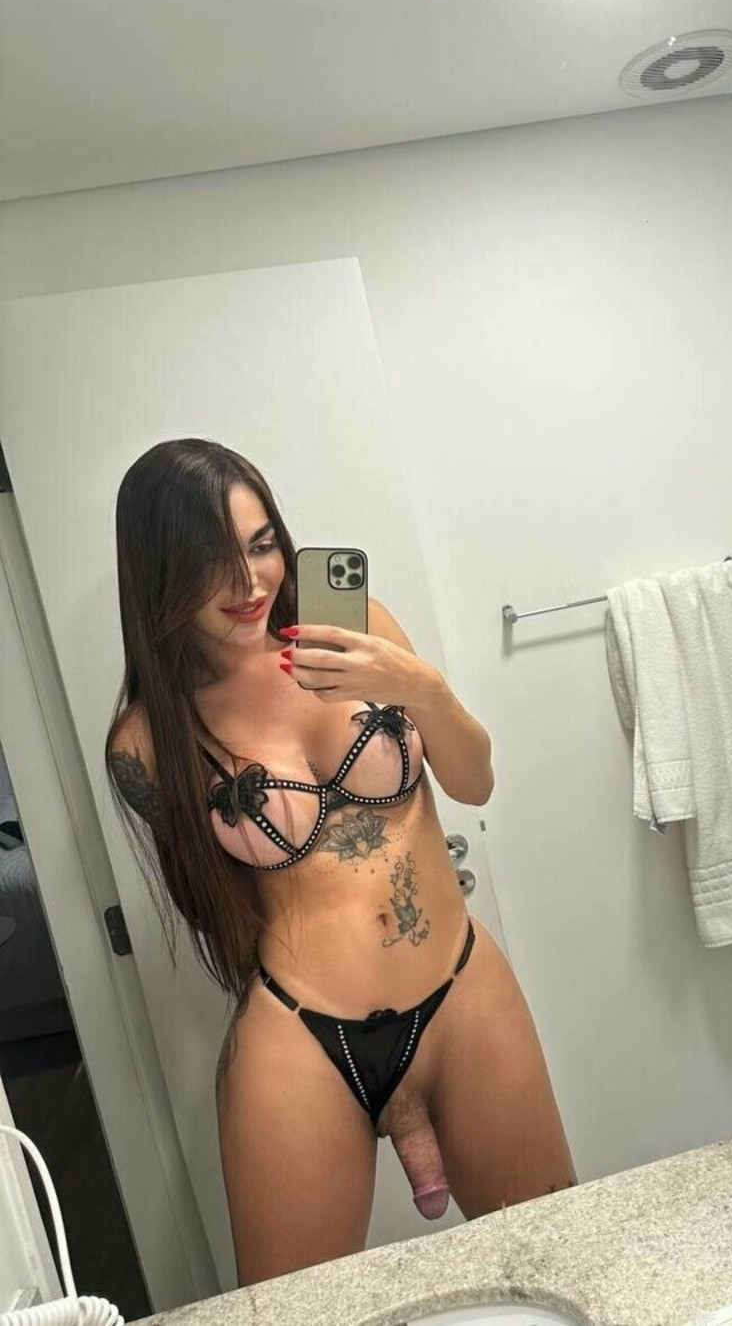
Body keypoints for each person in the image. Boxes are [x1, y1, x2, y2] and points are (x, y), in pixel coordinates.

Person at [106, 438, 575, 1286]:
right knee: (297, 1310)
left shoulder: (356, 627)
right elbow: (220, 904)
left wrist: (418, 686)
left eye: (260, 543)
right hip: (303, 1039)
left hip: (460, 990)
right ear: (159, 572)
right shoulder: (149, 740)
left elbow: (474, 780)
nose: (249, 581)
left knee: (559, 1263)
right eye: (212, 560)